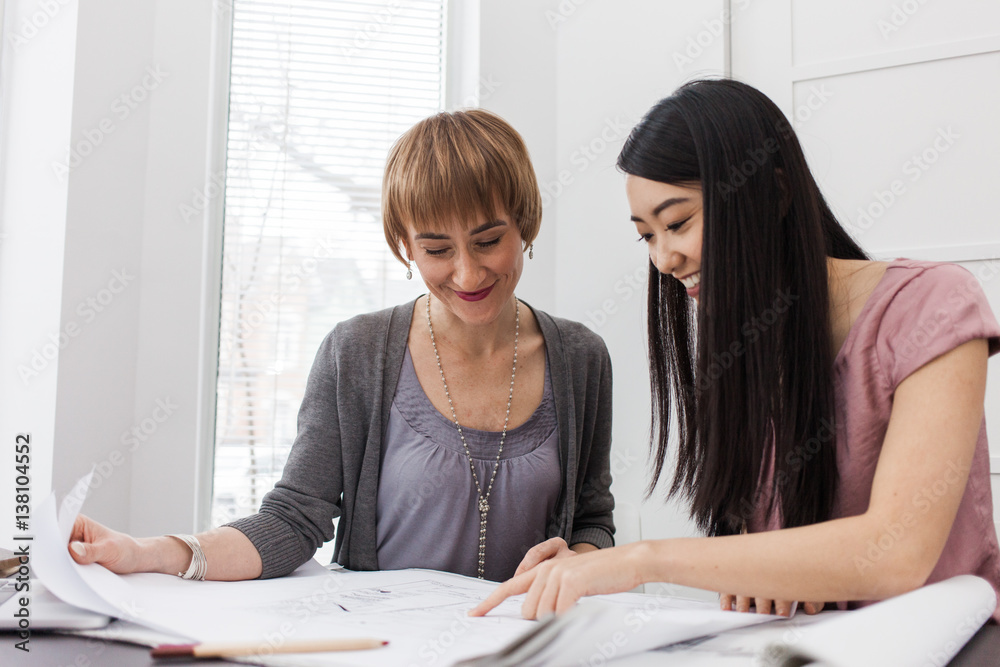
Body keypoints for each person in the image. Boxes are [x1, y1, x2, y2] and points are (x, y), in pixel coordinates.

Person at [471, 79, 1000, 621]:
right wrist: (583, 563)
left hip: (949, 642)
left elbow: (897, 553)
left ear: (772, 194)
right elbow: (777, 558)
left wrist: (640, 561)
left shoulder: (934, 304)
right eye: (646, 235)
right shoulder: (750, 346)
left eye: (676, 223)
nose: (663, 259)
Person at [68, 109, 615, 583]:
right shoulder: (356, 352)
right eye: (436, 248)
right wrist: (147, 553)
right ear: (405, 246)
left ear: (526, 223)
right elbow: (292, 520)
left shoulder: (581, 360)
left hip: (528, 649)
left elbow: (592, 520)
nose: (467, 272)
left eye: (488, 241)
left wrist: (579, 562)